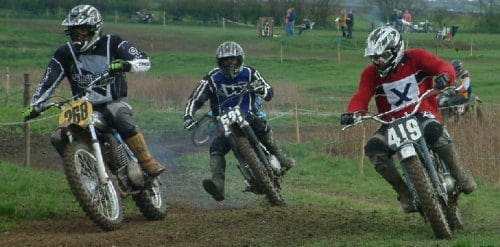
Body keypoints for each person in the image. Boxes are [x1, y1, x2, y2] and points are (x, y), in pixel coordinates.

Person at [340, 26, 476, 213]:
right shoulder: (369, 74)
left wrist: (445, 76)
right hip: (391, 123)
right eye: (374, 57)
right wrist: (353, 113)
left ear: (396, 50)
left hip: (423, 113)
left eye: (384, 55)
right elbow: (361, 96)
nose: (379, 61)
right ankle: (403, 191)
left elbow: (442, 66)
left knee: (436, 133)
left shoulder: (417, 57)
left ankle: (459, 174)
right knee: (373, 148)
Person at [22, 5, 166, 177]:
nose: (78, 34)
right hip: (83, 106)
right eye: (74, 30)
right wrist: (36, 104)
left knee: (117, 114)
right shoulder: (64, 53)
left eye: (82, 29)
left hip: (114, 101)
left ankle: (147, 162)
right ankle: (86, 176)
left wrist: (127, 64)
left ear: (94, 28)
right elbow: (48, 81)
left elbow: (144, 61)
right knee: (59, 136)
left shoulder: (113, 42)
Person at [183, 41, 295, 201]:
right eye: (226, 60)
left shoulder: (250, 73)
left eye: (233, 60)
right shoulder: (212, 78)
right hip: (224, 123)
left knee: (261, 125)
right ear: (219, 62)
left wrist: (260, 89)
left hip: (249, 116)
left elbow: (269, 93)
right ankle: (218, 184)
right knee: (216, 147)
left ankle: (279, 156)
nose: (230, 64)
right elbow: (195, 98)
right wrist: (188, 116)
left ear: (240, 59)